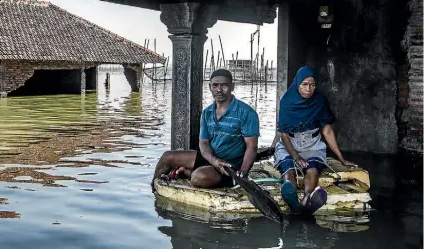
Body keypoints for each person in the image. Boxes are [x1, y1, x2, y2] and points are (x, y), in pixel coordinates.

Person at [151, 69, 260, 190]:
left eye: (224, 85)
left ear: (232, 86)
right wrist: (213, 160)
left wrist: (242, 174)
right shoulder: (207, 112)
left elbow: (252, 146)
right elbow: (204, 142)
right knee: (167, 157)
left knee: (198, 177)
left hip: (229, 166)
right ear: (210, 87)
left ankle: (188, 172)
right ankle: (153, 189)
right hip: (210, 158)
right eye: (215, 85)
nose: (219, 89)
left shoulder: (246, 112)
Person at [274, 66, 354, 214]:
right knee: (289, 169)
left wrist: (341, 158)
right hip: (289, 144)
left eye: (312, 84)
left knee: (313, 169)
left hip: (313, 144)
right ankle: (291, 200)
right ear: (297, 84)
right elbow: (283, 134)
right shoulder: (286, 101)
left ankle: (306, 199)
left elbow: (327, 130)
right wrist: (296, 156)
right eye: (304, 85)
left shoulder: (320, 101)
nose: (309, 89)